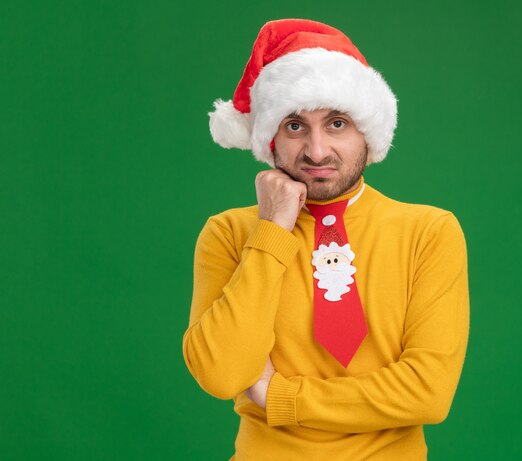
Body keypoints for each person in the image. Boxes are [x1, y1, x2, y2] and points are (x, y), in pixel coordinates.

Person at [182, 18, 470, 461]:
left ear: (367, 134)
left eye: (336, 123)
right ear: (271, 138)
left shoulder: (429, 233)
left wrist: (279, 396)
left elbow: (428, 394)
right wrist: (272, 231)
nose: (316, 152)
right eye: (295, 126)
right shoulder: (230, 233)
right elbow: (222, 375)